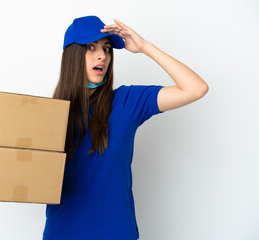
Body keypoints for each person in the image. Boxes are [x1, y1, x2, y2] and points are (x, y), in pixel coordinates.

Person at [42, 15, 208, 240]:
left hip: (116, 234)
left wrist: (145, 47)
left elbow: (195, 88)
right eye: (91, 47)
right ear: (71, 55)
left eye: (107, 49)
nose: (102, 55)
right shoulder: (47, 115)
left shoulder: (126, 102)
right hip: (62, 233)